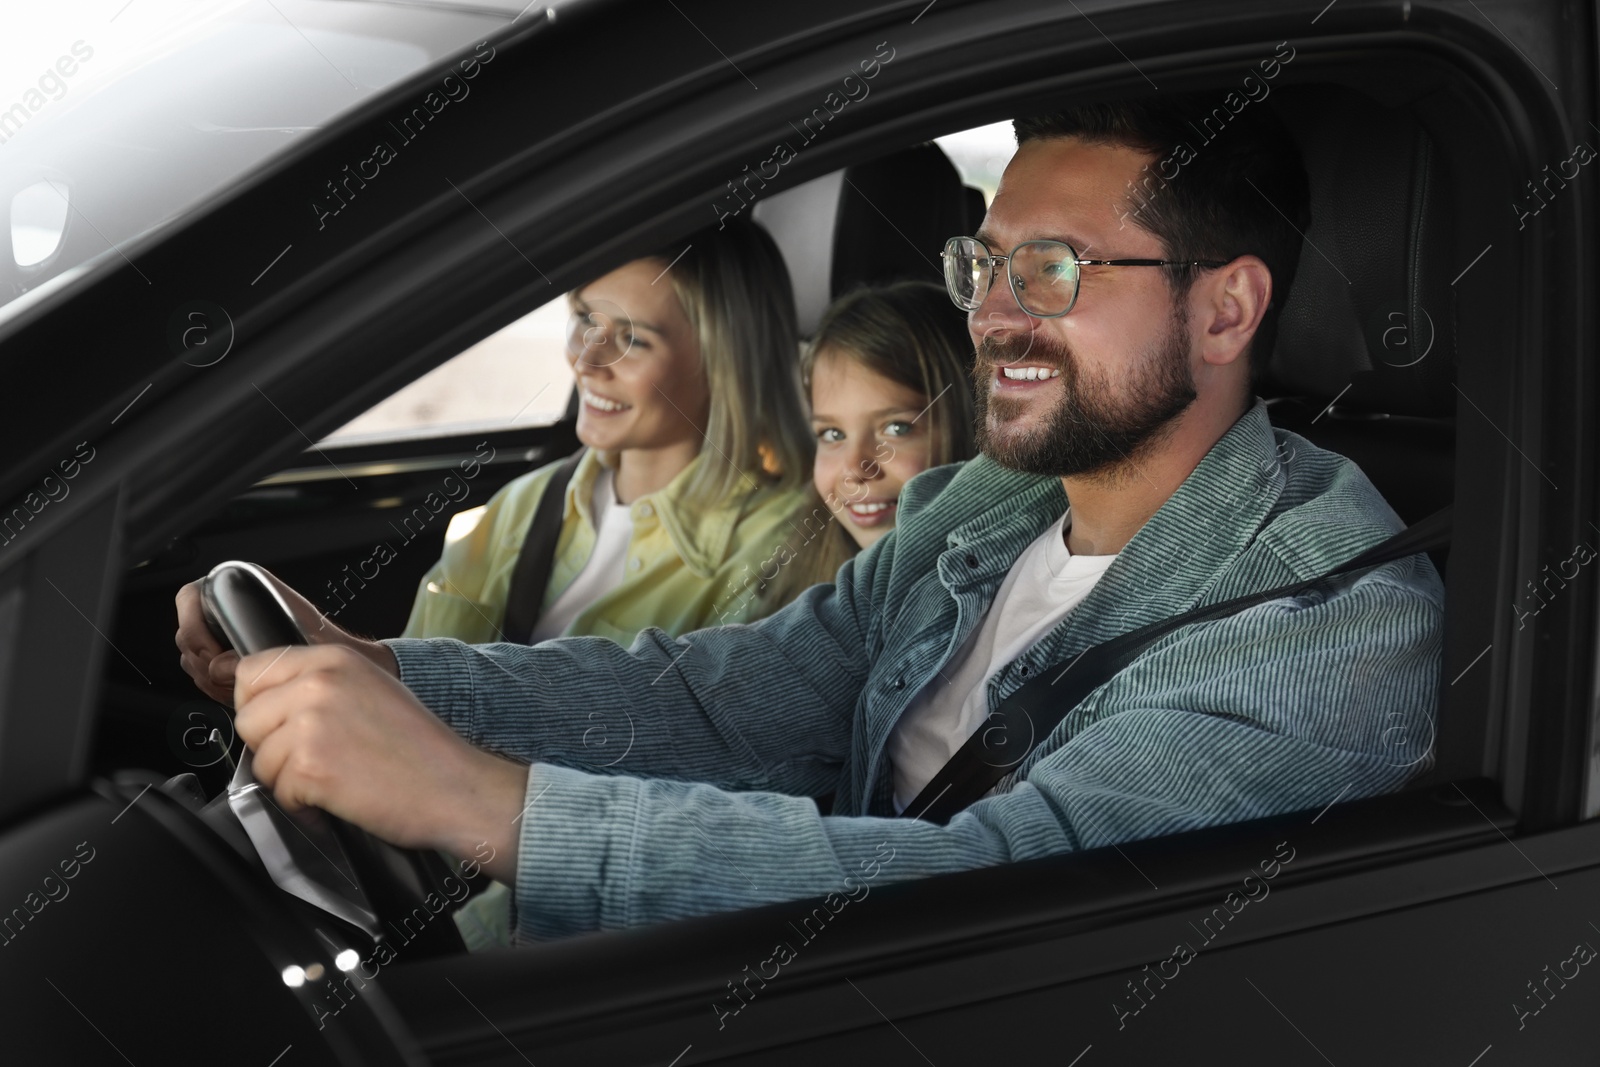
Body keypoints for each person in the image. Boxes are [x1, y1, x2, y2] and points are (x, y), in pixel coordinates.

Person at [174, 95, 1446, 950]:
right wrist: (390, 674)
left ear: (1224, 313)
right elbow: (729, 696)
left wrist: (489, 809)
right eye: (983, 262)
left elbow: (998, 897)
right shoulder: (987, 509)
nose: (992, 316)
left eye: (1051, 269)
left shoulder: (1322, 619)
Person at [401, 217, 814, 648]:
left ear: (723, 365)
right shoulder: (521, 506)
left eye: (633, 340)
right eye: (584, 319)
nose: (587, 361)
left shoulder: (778, 550)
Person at [759, 280, 976, 610]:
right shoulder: (792, 587)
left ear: (973, 425)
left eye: (897, 428)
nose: (855, 468)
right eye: (832, 434)